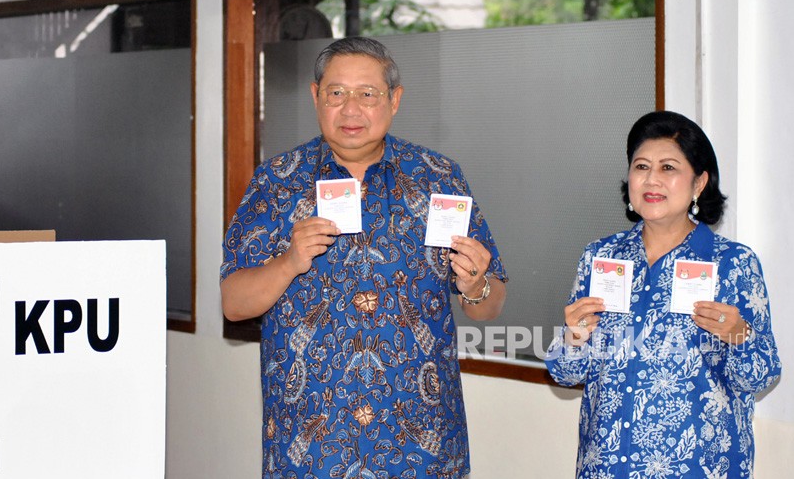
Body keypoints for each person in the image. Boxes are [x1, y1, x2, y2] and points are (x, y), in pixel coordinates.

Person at [221, 37, 507, 478]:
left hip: (420, 443)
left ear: (394, 100)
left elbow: (490, 306)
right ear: (316, 97)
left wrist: (476, 285)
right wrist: (289, 261)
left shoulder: (438, 178)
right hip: (312, 445)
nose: (350, 109)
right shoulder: (276, 182)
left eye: (367, 94)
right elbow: (233, 303)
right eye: (336, 93)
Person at [545, 111, 781, 478]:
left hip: (699, 466)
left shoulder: (733, 263)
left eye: (669, 167)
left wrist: (739, 335)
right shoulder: (600, 257)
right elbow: (566, 372)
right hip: (607, 463)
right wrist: (573, 338)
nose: (652, 179)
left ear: (699, 183)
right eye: (641, 166)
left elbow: (762, 376)